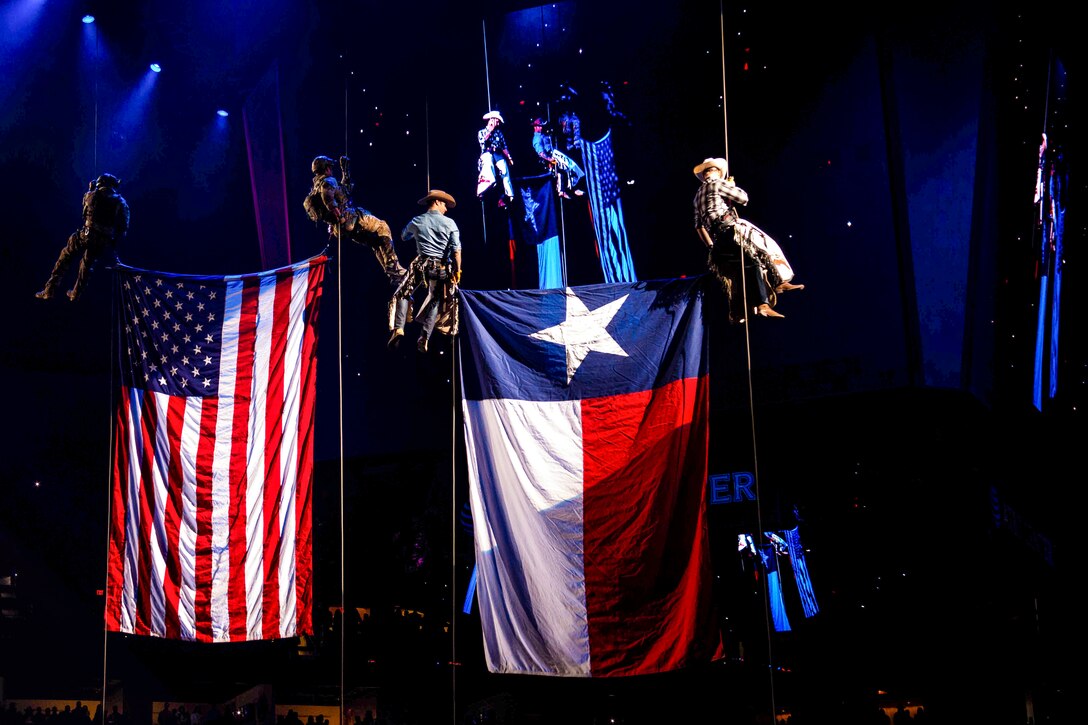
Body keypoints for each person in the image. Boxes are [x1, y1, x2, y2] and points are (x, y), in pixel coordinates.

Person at [692, 157, 803, 321]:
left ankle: (739, 310)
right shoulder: (716, 184)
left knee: (739, 271)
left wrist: (711, 246)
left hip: (719, 239)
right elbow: (744, 199)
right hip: (729, 230)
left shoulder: (697, 196)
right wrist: (731, 187)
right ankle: (768, 295)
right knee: (758, 253)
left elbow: (699, 227)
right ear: (714, 172)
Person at [303, 154, 406, 288]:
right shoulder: (327, 181)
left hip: (342, 229)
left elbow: (344, 192)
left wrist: (345, 172)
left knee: (375, 241)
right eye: (330, 167)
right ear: (326, 168)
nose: (331, 170)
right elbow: (328, 199)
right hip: (350, 219)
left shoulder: (315, 188)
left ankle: (393, 274)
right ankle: (394, 267)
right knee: (382, 227)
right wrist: (340, 217)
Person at [36, 173, 129, 301]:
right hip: (103, 241)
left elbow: (84, 211)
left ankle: (49, 290)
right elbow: (123, 229)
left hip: (86, 235)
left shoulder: (91, 195)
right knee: (86, 264)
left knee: (64, 257)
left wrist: (91, 189)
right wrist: (111, 243)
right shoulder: (121, 202)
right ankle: (76, 293)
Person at [388, 189, 462, 353]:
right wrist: (458, 271)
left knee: (403, 293)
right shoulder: (450, 223)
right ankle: (424, 336)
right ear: (436, 201)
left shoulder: (417, 221)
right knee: (434, 300)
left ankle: (399, 328)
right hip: (441, 268)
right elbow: (457, 251)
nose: (446, 208)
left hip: (422, 265)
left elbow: (404, 236)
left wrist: (418, 232)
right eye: (444, 204)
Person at [531, 117, 583, 199]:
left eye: (542, 126)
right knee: (564, 167)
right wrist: (549, 160)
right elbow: (541, 153)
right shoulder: (536, 139)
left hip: (555, 154)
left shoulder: (544, 135)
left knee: (570, 164)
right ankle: (566, 190)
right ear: (536, 127)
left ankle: (571, 187)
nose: (541, 128)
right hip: (549, 159)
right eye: (540, 126)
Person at [476, 111, 514, 207]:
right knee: (488, 165)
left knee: (504, 169)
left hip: (497, 154)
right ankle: (483, 188)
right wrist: (491, 130)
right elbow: (483, 141)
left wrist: (509, 157)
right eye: (496, 121)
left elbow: (504, 147)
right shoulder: (481, 132)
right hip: (487, 153)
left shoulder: (499, 133)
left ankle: (508, 193)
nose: (497, 124)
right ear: (491, 120)